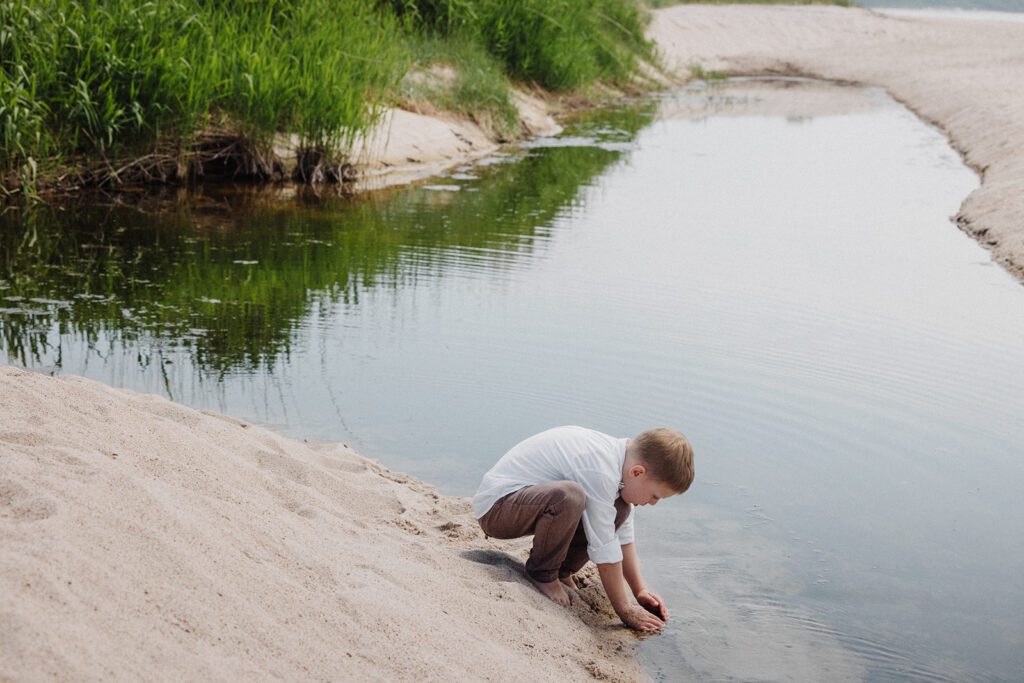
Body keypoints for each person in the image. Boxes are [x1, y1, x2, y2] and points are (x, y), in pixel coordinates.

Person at [473, 425, 694, 632]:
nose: (653, 503)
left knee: (619, 509)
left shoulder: (621, 465)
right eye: (655, 496)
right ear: (637, 472)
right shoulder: (601, 469)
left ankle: (562, 570)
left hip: (527, 502)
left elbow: (623, 537)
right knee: (570, 497)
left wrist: (639, 591)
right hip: (497, 508)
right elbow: (605, 549)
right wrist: (624, 609)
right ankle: (542, 572)